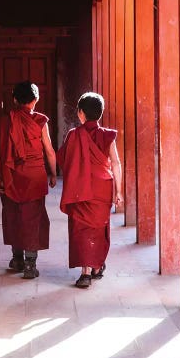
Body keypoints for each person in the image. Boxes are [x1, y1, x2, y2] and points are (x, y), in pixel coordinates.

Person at [57, 91, 122, 289]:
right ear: (100, 114)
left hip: (80, 188)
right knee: (98, 227)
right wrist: (118, 191)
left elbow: (65, 161)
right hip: (102, 188)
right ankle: (96, 266)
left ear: (80, 114)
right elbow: (116, 163)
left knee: (81, 229)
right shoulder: (107, 136)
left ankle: (85, 272)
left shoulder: (74, 135)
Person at [0, 81, 57, 279]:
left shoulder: (5, 121)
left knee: (13, 214)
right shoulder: (40, 121)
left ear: (14, 99)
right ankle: (30, 264)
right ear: (36, 100)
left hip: (12, 174)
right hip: (35, 176)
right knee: (32, 216)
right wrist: (53, 173)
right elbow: (49, 151)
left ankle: (17, 258)